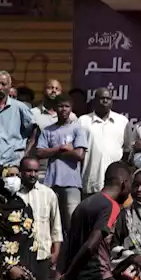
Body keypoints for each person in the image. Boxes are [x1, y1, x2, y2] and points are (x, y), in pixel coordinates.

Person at [36, 93, 88, 231]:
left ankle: (72, 251)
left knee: (72, 221)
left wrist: (55, 151)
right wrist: (61, 148)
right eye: (60, 106)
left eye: (67, 106)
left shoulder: (77, 128)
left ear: (71, 109)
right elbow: (40, 152)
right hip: (51, 182)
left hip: (72, 183)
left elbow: (79, 154)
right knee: (50, 221)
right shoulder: (48, 130)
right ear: (55, 108)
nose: (63, 109)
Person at [78, 87, 130, 196]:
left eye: (108, 98)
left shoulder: (122, 121)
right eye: (102, 98)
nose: (105, 101)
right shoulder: (83, 121)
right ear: (95, 101)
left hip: (116, 184)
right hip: (91, 181)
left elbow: (127, 150)